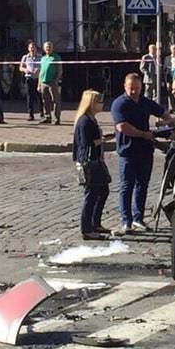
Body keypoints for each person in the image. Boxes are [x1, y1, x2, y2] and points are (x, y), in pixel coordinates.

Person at [110, 72, 175, 236]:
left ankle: (138, 218)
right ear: (125, 87)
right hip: (128, 151)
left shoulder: (144, 102)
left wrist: (168, 123)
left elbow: (162, 112)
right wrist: (143, 134)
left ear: (141, 87)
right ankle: (126, 221)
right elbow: (122, 127)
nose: (134, 91)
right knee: (127, 186)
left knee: (142, 185)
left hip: (145, 151)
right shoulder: (119, 104)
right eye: (131, 88)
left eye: (137, 88)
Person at [73, 90, 111, 240]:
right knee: (91, 194)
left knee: (103, 191)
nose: (102, 104)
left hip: (96, 160)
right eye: (99, 101)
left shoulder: (90, 119)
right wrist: (104, 140)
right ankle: (86, 228)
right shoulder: (84, 121)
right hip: (89, 162)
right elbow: (86, 143)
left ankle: (96, 222)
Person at [39, 41, 62, 125]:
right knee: (45, 101)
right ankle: (47, 117)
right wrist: (39, 83)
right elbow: (41, 71)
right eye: (46, 47)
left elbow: (59, 70)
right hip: (43, 82)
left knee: (55, 101)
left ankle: (57, 118)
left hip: (52, 83)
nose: (48, 48)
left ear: (52, 48)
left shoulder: (56, 57)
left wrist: (56, 80)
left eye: (49, 46)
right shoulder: (43, 58)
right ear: (44, 48)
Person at [19, 40, 40, 121]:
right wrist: (25, 70)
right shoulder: (25, 57)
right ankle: (30, 115)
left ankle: (42, 114)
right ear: (28, 49)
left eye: (33, 48)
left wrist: (39, 70)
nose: (32, 49)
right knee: (29, 97)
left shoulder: (40, 57)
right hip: (29, 78)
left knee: (39, 97)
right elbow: (20, 68)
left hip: (38, 79)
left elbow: (43, 67)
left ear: (36, 49)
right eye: (31, 47)